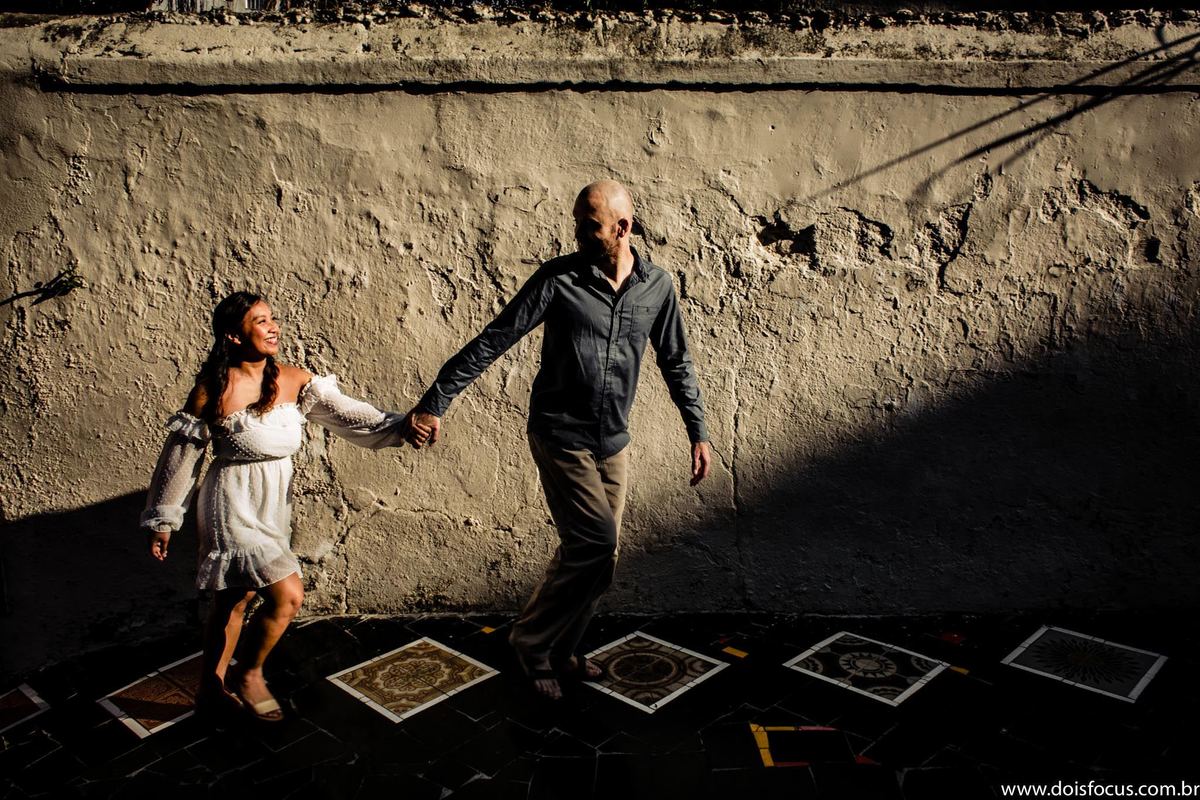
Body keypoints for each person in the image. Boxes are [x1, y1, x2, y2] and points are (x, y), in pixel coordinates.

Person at [403, 180, 712, 699]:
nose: (578, 233)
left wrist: (697, 431)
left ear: (623, 228)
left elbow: (676, 361)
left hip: (613, 441)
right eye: (578, 223)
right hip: (560, 435)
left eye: (590, 225)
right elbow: (495, 338)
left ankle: (564, 649)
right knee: (597, 543)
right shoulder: (559, 280)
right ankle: (531, 642)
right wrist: (435, 401)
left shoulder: (657, 287)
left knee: (597, 558)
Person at [141, 291, 404, 721]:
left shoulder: (296, 379)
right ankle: (250, 675)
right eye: (260, 321)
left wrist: (402, 425)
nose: (272, 327)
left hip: (272, 504)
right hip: (230, 503)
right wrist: (164, 519)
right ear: (233, 335)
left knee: (235, 599)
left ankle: (209, 690)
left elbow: (354, 416)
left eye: (272, 318)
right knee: (287, 595)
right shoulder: (213, 390)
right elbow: (181, 458)